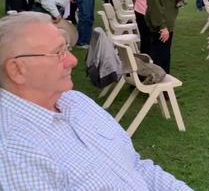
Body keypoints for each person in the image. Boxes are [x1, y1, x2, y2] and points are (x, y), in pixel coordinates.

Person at [0, 12, 191, 190]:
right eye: (58, 53)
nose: (73, 61)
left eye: (67, 49)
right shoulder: (13, 150)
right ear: (17, 70)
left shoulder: (76, 101)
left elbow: (135, 165)